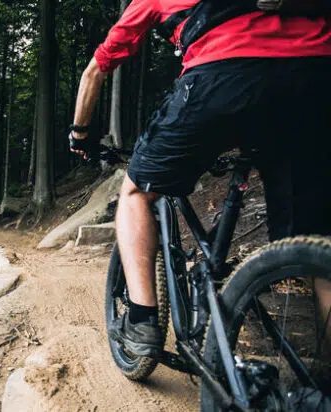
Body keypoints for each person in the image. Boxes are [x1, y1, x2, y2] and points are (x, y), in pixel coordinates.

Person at [69, 0, 331, 357]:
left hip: (222, 76)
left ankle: (142, 320)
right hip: (315, 79)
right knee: (316, 241)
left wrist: (80, 134)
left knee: (135, 194)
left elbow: (94, 71)